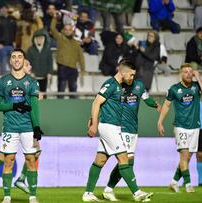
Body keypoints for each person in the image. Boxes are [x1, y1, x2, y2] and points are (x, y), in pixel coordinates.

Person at [83, 59, 153, 202]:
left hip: (113, 127)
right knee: (124, 158)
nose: (132, 78)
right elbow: (96, 102)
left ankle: (88, 193)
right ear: (123, 71)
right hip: (108, 126)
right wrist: (94, 125)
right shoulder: (110, 84)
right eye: (131, 75)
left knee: (100, 160)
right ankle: (137, 193)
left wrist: (93, 120)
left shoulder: (120, 87)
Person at [0, 59, 42, 196]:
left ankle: (17, 179)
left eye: (29, 64)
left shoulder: (31, 84)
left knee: (34, 153)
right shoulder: (8, 83)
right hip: (11, 125)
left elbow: (33, 102)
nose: (29, 66)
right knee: (5, 156)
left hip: (27, 125)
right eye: (27, 64)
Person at [102, 77, 162, 201]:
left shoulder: (139, 86)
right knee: (127, 160)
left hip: (133, 129)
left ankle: (108, 189)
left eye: (133, 74)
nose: (130, 77)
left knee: (127, 162)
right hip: (121, 127)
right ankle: (137, 192)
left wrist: (155, 104)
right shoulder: (117, 86)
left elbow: (146, 99)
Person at [157, 63, 202, 193]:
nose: (188, 74)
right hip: (180, 126)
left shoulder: (195, 87)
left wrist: (198, 78)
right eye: (185, 72)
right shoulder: (174, 89)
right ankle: (188, 184)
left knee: (187, 157)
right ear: (180, 74)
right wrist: (160, 122)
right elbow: (166, 106)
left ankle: (173, 182)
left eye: (190, 72)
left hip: (195, 127)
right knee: (184, 154)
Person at [50, 11, 85, 99]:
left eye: (69, 30)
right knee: (61, 88)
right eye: (66, 29)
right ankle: (59, 108)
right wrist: (55, 18)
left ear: (72, 30)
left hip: (73, 68)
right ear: (63, 30)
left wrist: (83, 69)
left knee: (73, 89)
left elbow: (81, 56)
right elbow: (52, 29)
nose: (68, 31)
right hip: (62, 67)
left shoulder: (76, 43)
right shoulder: (60, 38)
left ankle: (73, 107)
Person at [26, 29, 53, 98]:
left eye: (41, 38)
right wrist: (30, 72)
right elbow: (27, 64)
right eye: (38, 38)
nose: (39, 40)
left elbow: (50, 63)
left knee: (43, 95)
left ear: (44, 39)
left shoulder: (47, 50)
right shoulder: (30, 50)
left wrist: (49, 73)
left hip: (44, 77)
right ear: (34, 39)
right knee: (33, 95)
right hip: (33, 78)